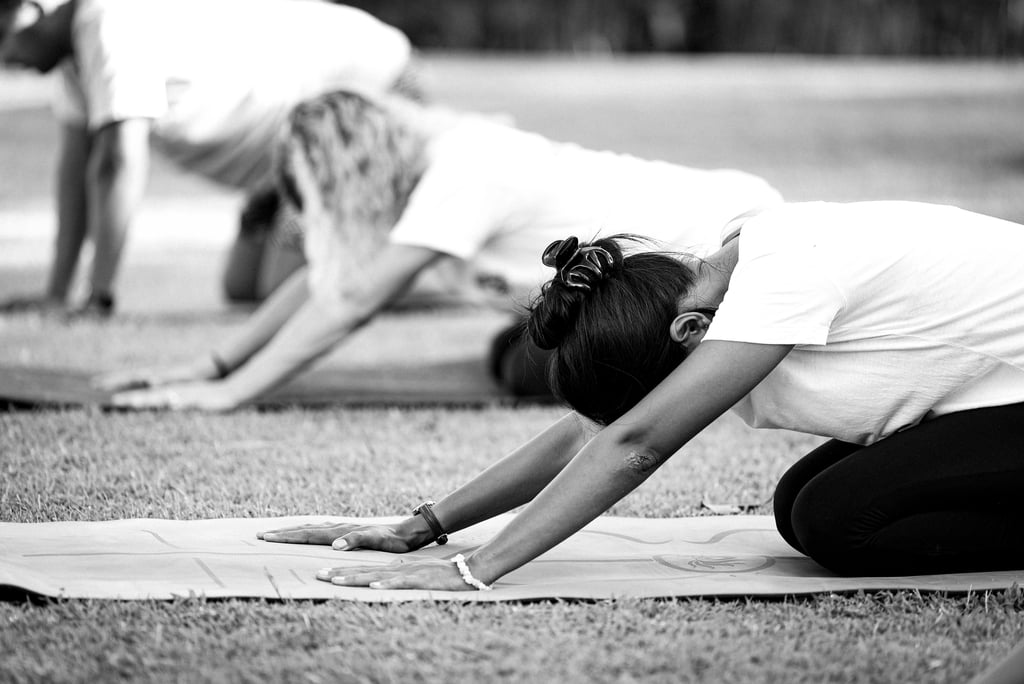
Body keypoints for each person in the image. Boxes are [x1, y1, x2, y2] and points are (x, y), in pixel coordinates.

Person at [258, 200, 1024, 591]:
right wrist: (423, 527)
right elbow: (594, 431)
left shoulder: (784, 276)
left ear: (689, 336)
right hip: (992, 396)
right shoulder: (707, 286)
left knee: (836, 519)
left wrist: (475, 570)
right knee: (800, 505)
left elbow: (636, 443)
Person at [98, 89, 783, 408]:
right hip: (689, 258)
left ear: (352, 172)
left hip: (727, 247)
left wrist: (230, 395)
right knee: (515, 353)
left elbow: (354, 299)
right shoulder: (435, 169)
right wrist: (211, 362)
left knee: (535, 366)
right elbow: (329, 279)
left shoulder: (464, 168)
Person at [0, 0, 414, 316]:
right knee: (243, 287)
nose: (8, 62)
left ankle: (445, 272)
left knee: (282, 286)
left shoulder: (109, 20)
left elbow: (117, 162)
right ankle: (303, 217)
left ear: (26, 11)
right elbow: (75, 174)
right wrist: (55, 296)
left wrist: (98, 298)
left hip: (366, 96)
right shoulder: (69, 56)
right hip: (284, 160)